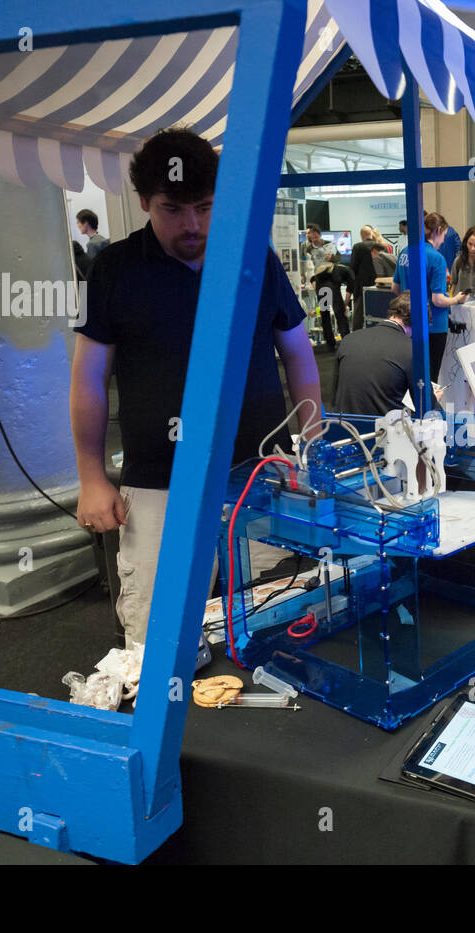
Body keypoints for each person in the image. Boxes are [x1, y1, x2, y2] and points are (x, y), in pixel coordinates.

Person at [69, 127, 321, 647]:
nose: (192, 224)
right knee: (161, 645)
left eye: (204, 207)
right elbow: (87, 377)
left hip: (258, 474)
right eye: (173, 210)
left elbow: (299, 356)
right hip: (161, 483)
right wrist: (91, 477)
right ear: (143, 202)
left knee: (271, 629)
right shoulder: (113, 268)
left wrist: (311, 448)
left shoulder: (253, 257)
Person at [392, 212, 468, 376]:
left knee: (412, 376)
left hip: (409, 324)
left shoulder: (405, 252)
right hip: (433, 327)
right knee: (430, 377)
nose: (443, 241)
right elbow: (438, 299)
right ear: (439, 230)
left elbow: (395, 289)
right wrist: (456, 299)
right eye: (444, 235)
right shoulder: (436, 258)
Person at [332, 294, 414, 417]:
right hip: (387, 430)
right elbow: (425, 404)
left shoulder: (349, 339)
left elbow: (335, 392)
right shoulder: (409, 348)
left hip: (344, 427)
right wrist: (434, 398)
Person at [348, 225, 393, 330]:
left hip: (361, 286)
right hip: (380, 286)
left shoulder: (357, 247)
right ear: (371, 234)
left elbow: (353, 268)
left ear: (361, 235)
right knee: (380, 313)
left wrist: (350, 287)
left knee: (359, 315)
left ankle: (357, 339)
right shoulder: (382, 247)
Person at [312, 260, 357, 353]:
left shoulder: (340, 268)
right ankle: (346, 343)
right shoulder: (350, 273)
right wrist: (344, 305)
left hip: (321, 288)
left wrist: (317, 290)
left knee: (325, 316)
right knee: (340, 316)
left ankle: (330, 345)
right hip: (332, 287)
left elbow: (312, 279)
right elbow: (349, 290)